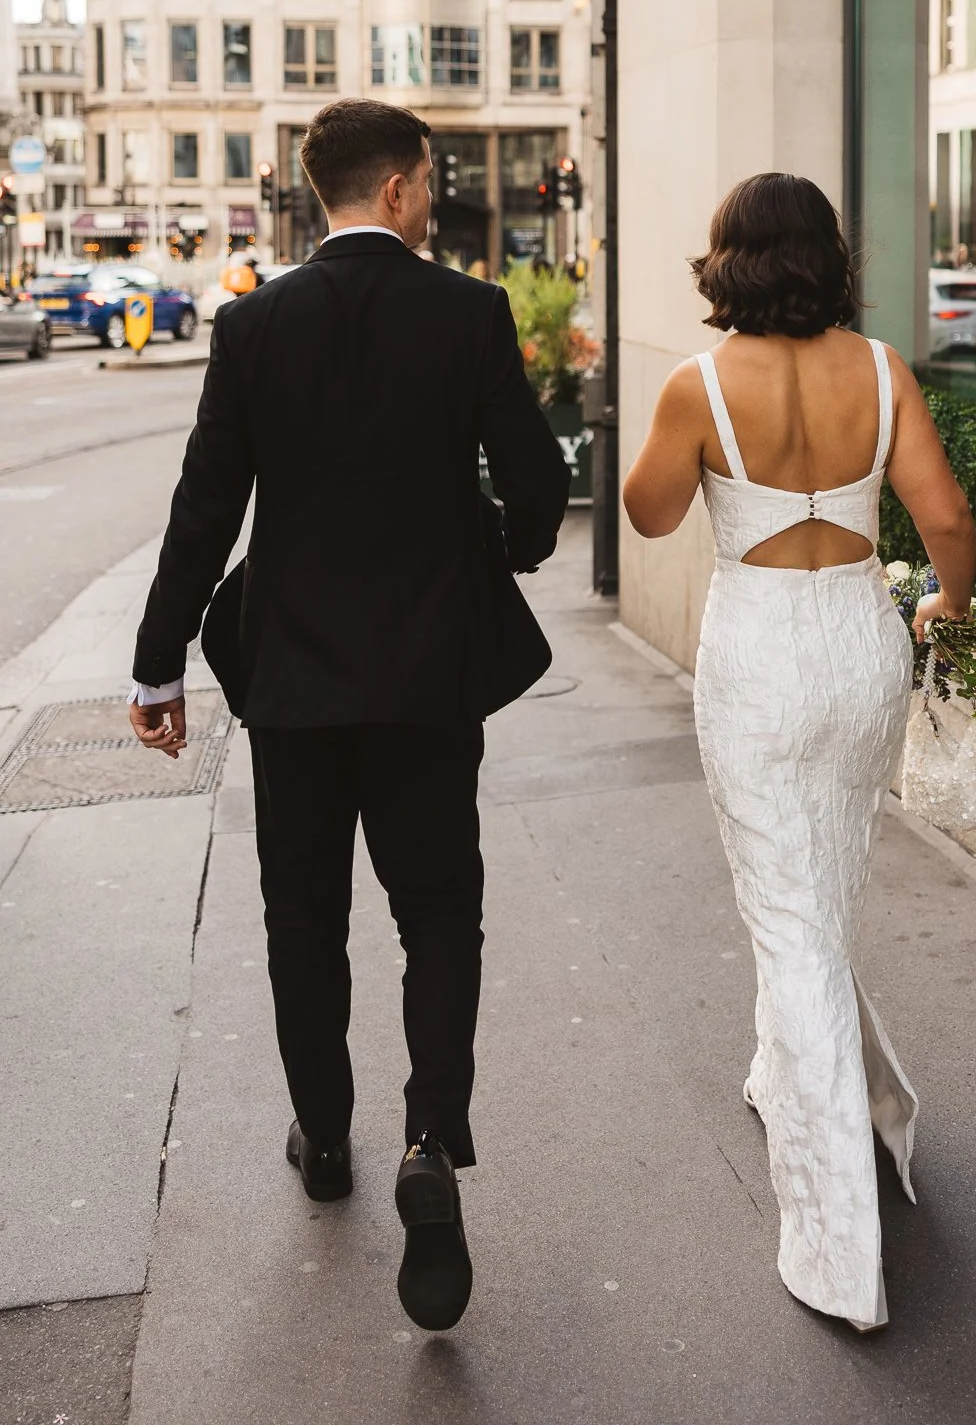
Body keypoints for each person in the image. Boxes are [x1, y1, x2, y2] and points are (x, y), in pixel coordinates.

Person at [127, 99, 570, 1332]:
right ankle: (430, 1137)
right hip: (429, 679)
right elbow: (536, 483)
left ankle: (326, 1138)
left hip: (299, 688)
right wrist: (499, 548)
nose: (432, 200)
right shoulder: (467, 313)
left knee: (302, 916)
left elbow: (205, 504)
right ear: (398, 188)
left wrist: (158, 665)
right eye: (427, 182)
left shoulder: (253, 325)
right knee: (439, 913)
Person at [622, 173, 976, 1331]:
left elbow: (646, 514)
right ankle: (829, 1091)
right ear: (826, 254)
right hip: (858, 648)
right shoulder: (879, 371)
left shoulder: (697, 384)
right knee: (817, 905)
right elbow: (947, 522)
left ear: (726, 260)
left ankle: (837, 1248)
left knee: (786, 924)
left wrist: (680, 438)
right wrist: (945, 609)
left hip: (761, 665)